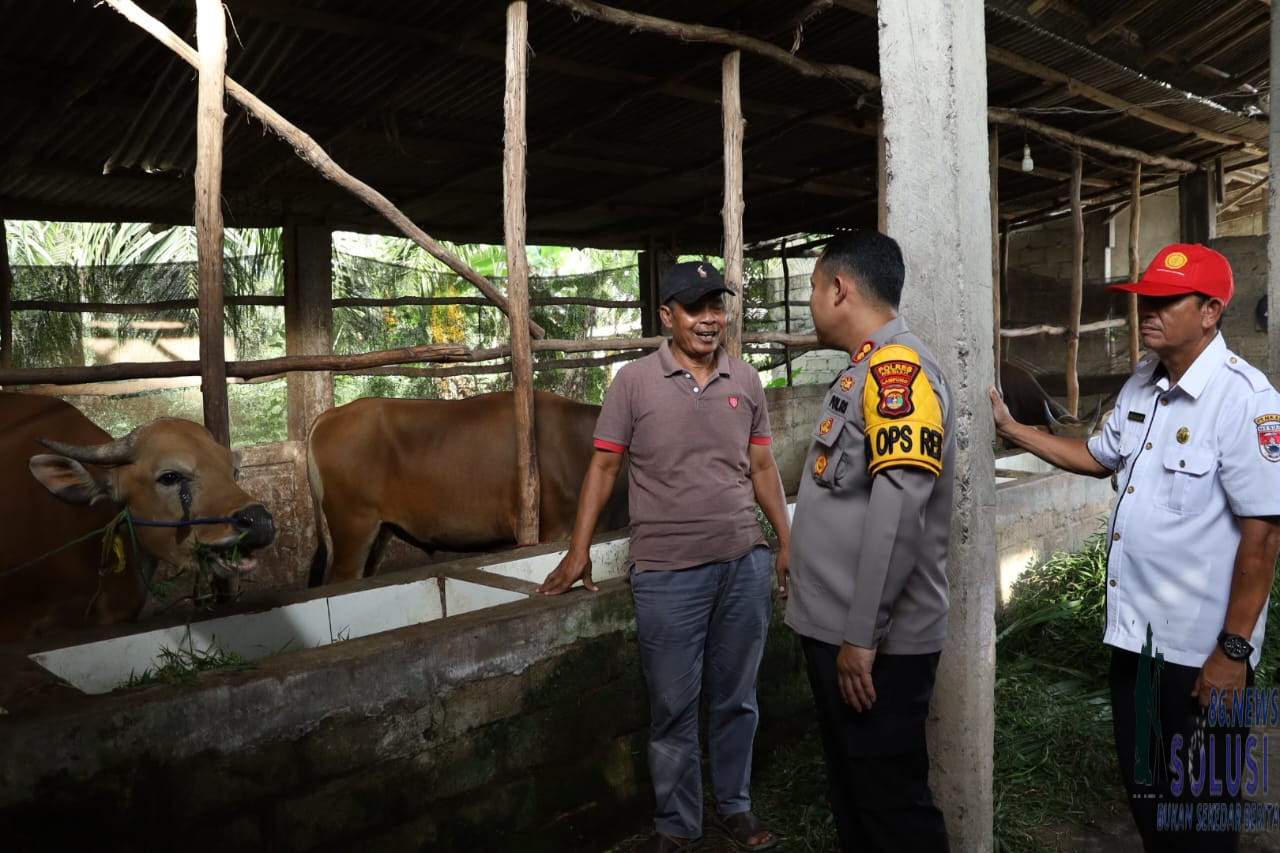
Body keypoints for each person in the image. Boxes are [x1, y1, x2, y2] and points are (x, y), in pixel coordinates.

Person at [990, 243, 1280, 852]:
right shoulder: (1143, 386)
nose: (1147, 311)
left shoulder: (1246, 401)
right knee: (1150, 807)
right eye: (1144, 300)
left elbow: (1265, 537)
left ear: (1210, 311)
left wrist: (1232, 654)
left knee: (1201, 820)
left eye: (1165, 301)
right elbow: (1097, 457)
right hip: (1135, 646)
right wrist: (1018, 431)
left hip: (1202, 660)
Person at [537, 261, 791, 853]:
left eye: (717, 307)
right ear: (667, 316)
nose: (710, 320)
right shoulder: (633, 383)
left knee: (737, 699)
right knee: (673, 709)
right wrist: (578, 552)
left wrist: (784, 539)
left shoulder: (745, 381)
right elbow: (602, 467)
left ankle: (735, 807)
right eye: (695, 308)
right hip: (666, 573)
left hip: (742, 562)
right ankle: (680, 828)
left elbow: (761, 467)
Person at [785, 231, 953, 852]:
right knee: (857, 794)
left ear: (839, 288)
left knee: (891, 807)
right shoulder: (865, 368)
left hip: (872, 644)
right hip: (841, 631)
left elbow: (900, 507)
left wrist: (861, 635)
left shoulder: (897, 371)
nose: (811, 302)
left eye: (811, 288)